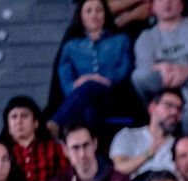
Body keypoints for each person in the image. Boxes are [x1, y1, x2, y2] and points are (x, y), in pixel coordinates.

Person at [130, 0, 188, 124]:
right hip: (160, 85)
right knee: (139, 76)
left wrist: (186, 71)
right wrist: (161, 67)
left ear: (181, 5)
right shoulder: (145, 37)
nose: (167, 3)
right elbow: (144, 69)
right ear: (153, 7)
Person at [54, 0, 134, 131]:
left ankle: (55, 122)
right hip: (81, 99)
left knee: (90, 86)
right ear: (81, 17)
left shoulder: (121, 40)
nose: (94, 15)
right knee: (88, 108)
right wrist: (77, 86)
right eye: (89, 11)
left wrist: (103, 79)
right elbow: (65, 79)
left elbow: (124, 69)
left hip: (112, 95)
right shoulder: (71, 46)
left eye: (99, 10)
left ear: (105, 15)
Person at [109, 89, 181, 180]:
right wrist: (148, 154)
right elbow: (118, 169)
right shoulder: (128, 135)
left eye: (179, 109)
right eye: (169, 105)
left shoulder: (180, 145)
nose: (175, 112)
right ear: (152, 108)